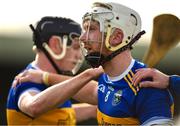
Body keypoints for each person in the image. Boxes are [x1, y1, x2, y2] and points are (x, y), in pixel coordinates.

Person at [13, 2, 174, 125]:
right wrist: (45, 77)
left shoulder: (149, 90)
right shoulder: (108, 79)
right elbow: (93, 93)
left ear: (116, 37)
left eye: (91, 29)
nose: (82, 38)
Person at [6, 16, 103, 125]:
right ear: (56, 44)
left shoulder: (52, 80)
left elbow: (58, 114)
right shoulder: (27, 79)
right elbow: (33, 106)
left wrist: (93, 110)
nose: (79, 56)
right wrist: (90, 74)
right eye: (76, 47)